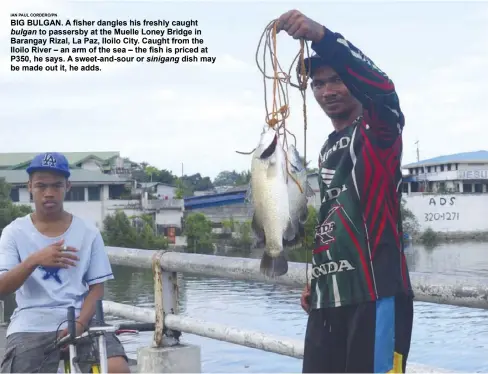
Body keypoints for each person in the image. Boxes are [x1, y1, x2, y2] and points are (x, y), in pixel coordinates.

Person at [276, 10, 414, 373]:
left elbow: (384, 89)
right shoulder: (326, 147)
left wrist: (321, 36)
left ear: (354, 82)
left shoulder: (377, 132)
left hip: (375, 295)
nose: (326, 91)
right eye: (318, 84)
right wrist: (319, 279)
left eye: (336, 80)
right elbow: (333, 217)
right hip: (327, 302)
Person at [0, 152, 130, 373]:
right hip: (31, 323)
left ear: (68, 186)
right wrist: (34, 260)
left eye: (57, 185)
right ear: (29, 186)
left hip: (82, 318)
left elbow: (97, 288)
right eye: (41, 186)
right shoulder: (14, 232)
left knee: (117, 368)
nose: (49, 193)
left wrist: (80, 324)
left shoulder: (88, 232)